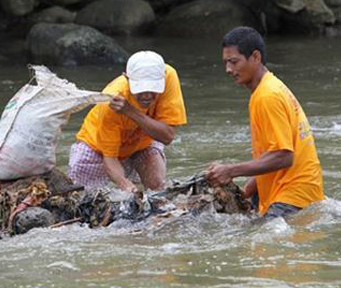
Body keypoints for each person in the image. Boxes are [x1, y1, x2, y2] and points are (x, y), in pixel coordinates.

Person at [205, 26, 324, 218]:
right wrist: (248, 190)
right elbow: (272, 152)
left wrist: (230, 170)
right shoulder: (270, 87)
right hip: (302, 193)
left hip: (291, 198)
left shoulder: (267, 96)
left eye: (234, 62)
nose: (228, 69)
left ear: (255, 57)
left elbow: (284, 156)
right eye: (226, 63)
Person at [68, 51, 187, 192]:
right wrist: (125, 184)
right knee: (78, 195)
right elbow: (110, 158)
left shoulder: (168, 76)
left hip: (143, 139)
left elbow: (167, 136)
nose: (147, 95)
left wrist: (130, 111)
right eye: (141, 89)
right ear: (126, 78)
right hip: (96, 146)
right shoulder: (111, 100)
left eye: (153, 89)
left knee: (157, 188)